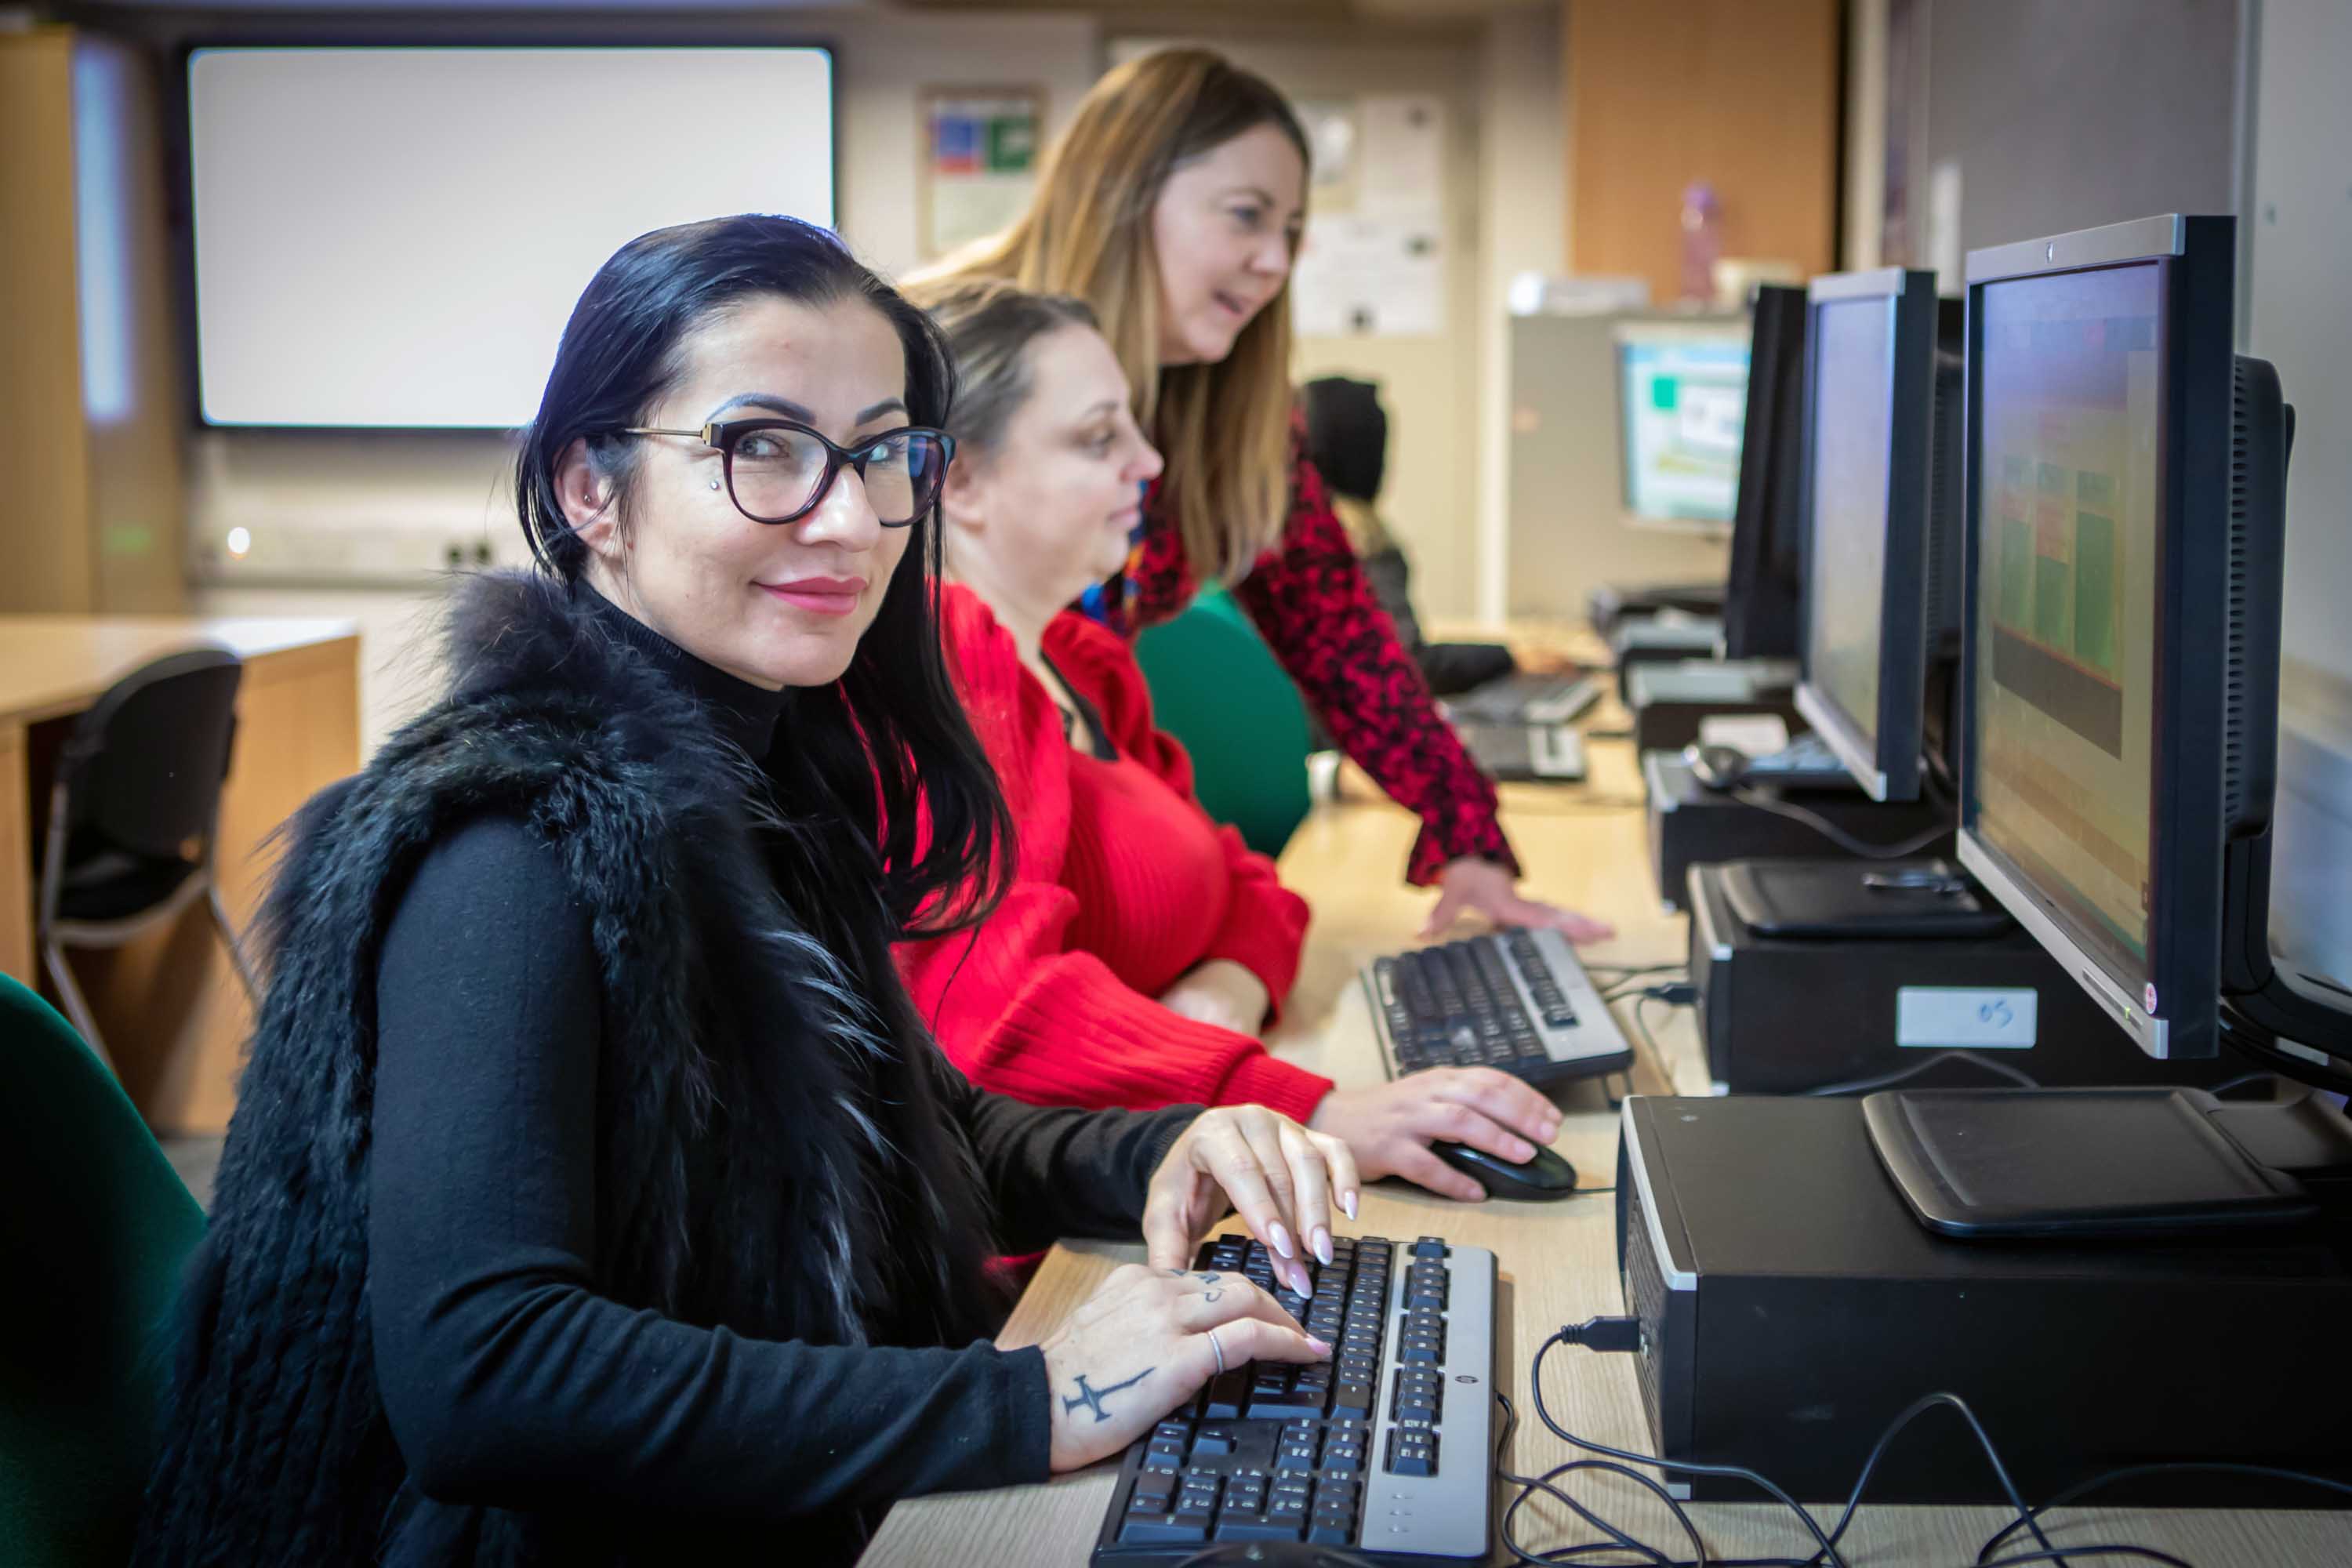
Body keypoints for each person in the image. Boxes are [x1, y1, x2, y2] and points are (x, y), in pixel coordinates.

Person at [132, 216, 1358, 1568]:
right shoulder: (514, 847)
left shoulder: (772, 779)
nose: (846, 517)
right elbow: (486, 1378)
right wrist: (1034, 1397)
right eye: (760, 447)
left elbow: (919, 1143)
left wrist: (1160, 1152)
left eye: (883, 453)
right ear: (592, 489)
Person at [916, 46, 1613, 944]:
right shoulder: (944, 356)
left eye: (1290, 231)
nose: (1274, 261)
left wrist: (1465, 829)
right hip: (930, 878)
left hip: (1068, 877)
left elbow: (1344, 640)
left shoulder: (1227, 409)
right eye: (1247, 216)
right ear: (1124, 193)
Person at [898, 280, 1563, 1203]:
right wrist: (1310, 1107)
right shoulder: (951, 669)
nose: (1151, 462)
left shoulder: (1082, 662)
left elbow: (1254, 892)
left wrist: (1217, 1000)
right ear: (960, 479)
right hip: (1073, 1228)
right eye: (1099, 438)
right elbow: (1005, 1018)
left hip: (1181, 1152)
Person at [1301, 374, 1516, 698]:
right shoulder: (1356, 540)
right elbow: (1407, 666)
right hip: (1342, 736)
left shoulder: (1288, 533)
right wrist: (1508, 657)